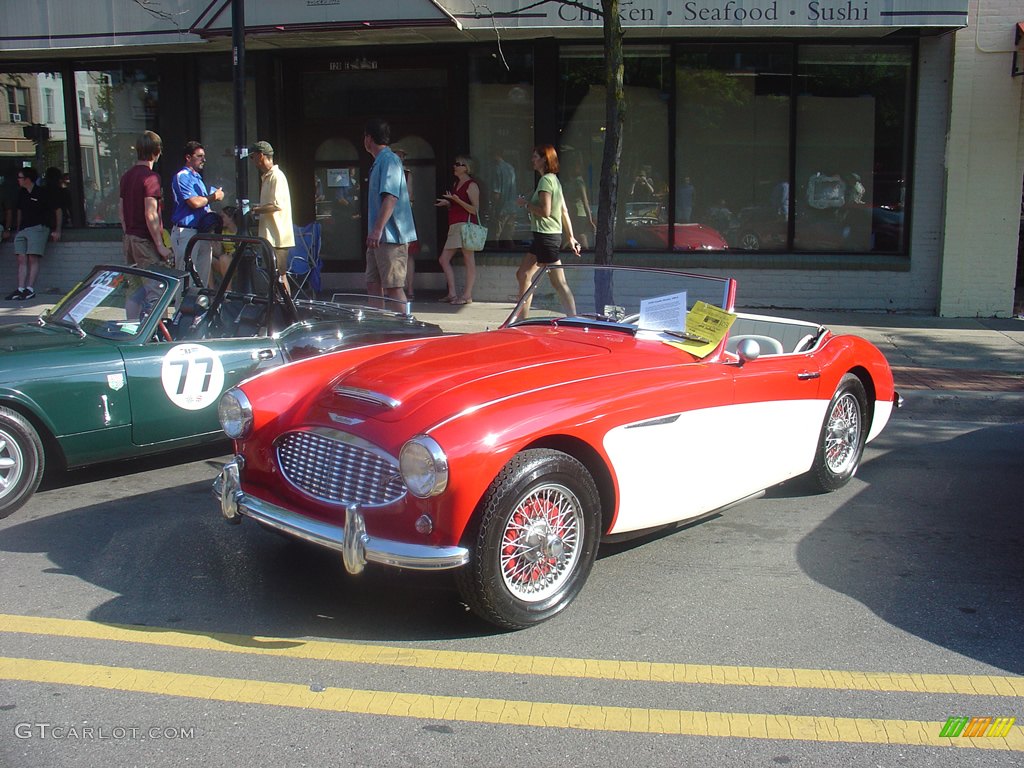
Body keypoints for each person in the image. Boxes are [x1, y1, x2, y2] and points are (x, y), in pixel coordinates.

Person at [514, 144, 581, 318]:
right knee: (523, 274)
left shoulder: (545, 181)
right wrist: (571, 237)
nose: (532, 160)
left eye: (535, 157)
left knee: (558, 283)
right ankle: (521, 320)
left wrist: (526, 204)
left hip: (546, 237)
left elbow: (546, 211)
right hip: (544, 237)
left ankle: (573, 319)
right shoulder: (554, 180)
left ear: (544, 159)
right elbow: (564, 210)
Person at [118, 130, 173, 319]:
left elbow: (121, 210)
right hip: (145, 241)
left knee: (134, 289)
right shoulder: (151, 178)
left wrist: (128, 234)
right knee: (157, 290)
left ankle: (132, 327)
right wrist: (160, 245)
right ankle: (156, 335)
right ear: (157, 151)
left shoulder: (127, 176)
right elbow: (150, 213)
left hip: (130, 238)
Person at [363, 118, 416, 303]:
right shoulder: (378, 162)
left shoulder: (390, 160)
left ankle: (404, 331)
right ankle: (378, 328)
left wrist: (377, 229)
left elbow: (391, 197)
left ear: (369, 138)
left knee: (393, 287)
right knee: (373, 284)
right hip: (378, 238)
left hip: (391, 237)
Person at [170, 140, 225, 287]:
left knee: (202, 280)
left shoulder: (198, 179)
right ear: (188, 157)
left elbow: (203, 206)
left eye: (204, 156)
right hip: (186, 232)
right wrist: (213, 197)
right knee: (186, 280)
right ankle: (181, 310)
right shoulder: (182, 176)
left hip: (202, 233)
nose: (203, 159)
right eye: (199, 156)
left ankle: (200, 309)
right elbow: (194, 203)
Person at [3, 167, 62, 300]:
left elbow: (57, 210)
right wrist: (18, 228)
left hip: (38, 228)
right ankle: (20, 288)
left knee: (32, 258)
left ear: (28, 179)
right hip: (23, 229)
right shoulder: (22, 193)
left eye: (20, 178)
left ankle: (30, 288)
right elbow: (19, 211)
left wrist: (57, 229)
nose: (18, 180)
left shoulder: (42, 193)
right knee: (21, 258)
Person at [249, 140, 295, 295]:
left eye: (253, 157)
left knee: (279, 277)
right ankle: (279, 309)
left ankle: (288, 311)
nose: (253, 161)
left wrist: (255, 209)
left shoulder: (276, 176)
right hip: (270, 237)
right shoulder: (267, 177)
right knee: (274, 277)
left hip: (278, 238)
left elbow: (277, 205)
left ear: (261, 156)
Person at [435, 154, 480, 305]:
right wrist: (448, 204)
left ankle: (467, 295)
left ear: (466, 167)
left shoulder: (471, 185)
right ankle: (452, 293)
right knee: (444, 259)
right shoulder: (457, 184)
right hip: (455, 225)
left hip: (466, 226)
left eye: (458, 164)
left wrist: (457, 200)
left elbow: (475, 210)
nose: (455, 166)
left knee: (468, 259)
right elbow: (458, 206)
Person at [395, 148, 419, 299]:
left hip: (403, 217)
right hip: (398, 216)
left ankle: (409, 288)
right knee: (395, 254)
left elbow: (411, 195)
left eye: (402, 155)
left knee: (408, 254)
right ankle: (400, 288)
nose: (400, 157)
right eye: (398, 154)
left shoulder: (406, 174)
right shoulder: (389, 172)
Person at [491, 149, 518, 249]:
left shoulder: (497, 168)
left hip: (502, 207)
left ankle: (495, 255)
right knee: (508, 235)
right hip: (512, 206)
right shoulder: (510, 168)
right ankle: (512, 254)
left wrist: (493, 207)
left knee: (496, 234)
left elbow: (496, 192)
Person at [567, 155, 595, 249]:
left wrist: (589, 218)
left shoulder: (579, 182)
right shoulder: (572, 181)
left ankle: (587, 253)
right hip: (573, 213)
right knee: (574, 234)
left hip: (579, 213)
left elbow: (585, 200)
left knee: (581, 235)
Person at [210, 205, 239, 289]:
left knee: (224, 258)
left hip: (237, 263)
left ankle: (227, 290)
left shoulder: (240, 231)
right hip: (224, 261)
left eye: (223, 217)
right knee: (208, 259)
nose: (221, 220)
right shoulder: (223, 232)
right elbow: (218, 252)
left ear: (231, 218)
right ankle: (211, 290)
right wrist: (212, 237)